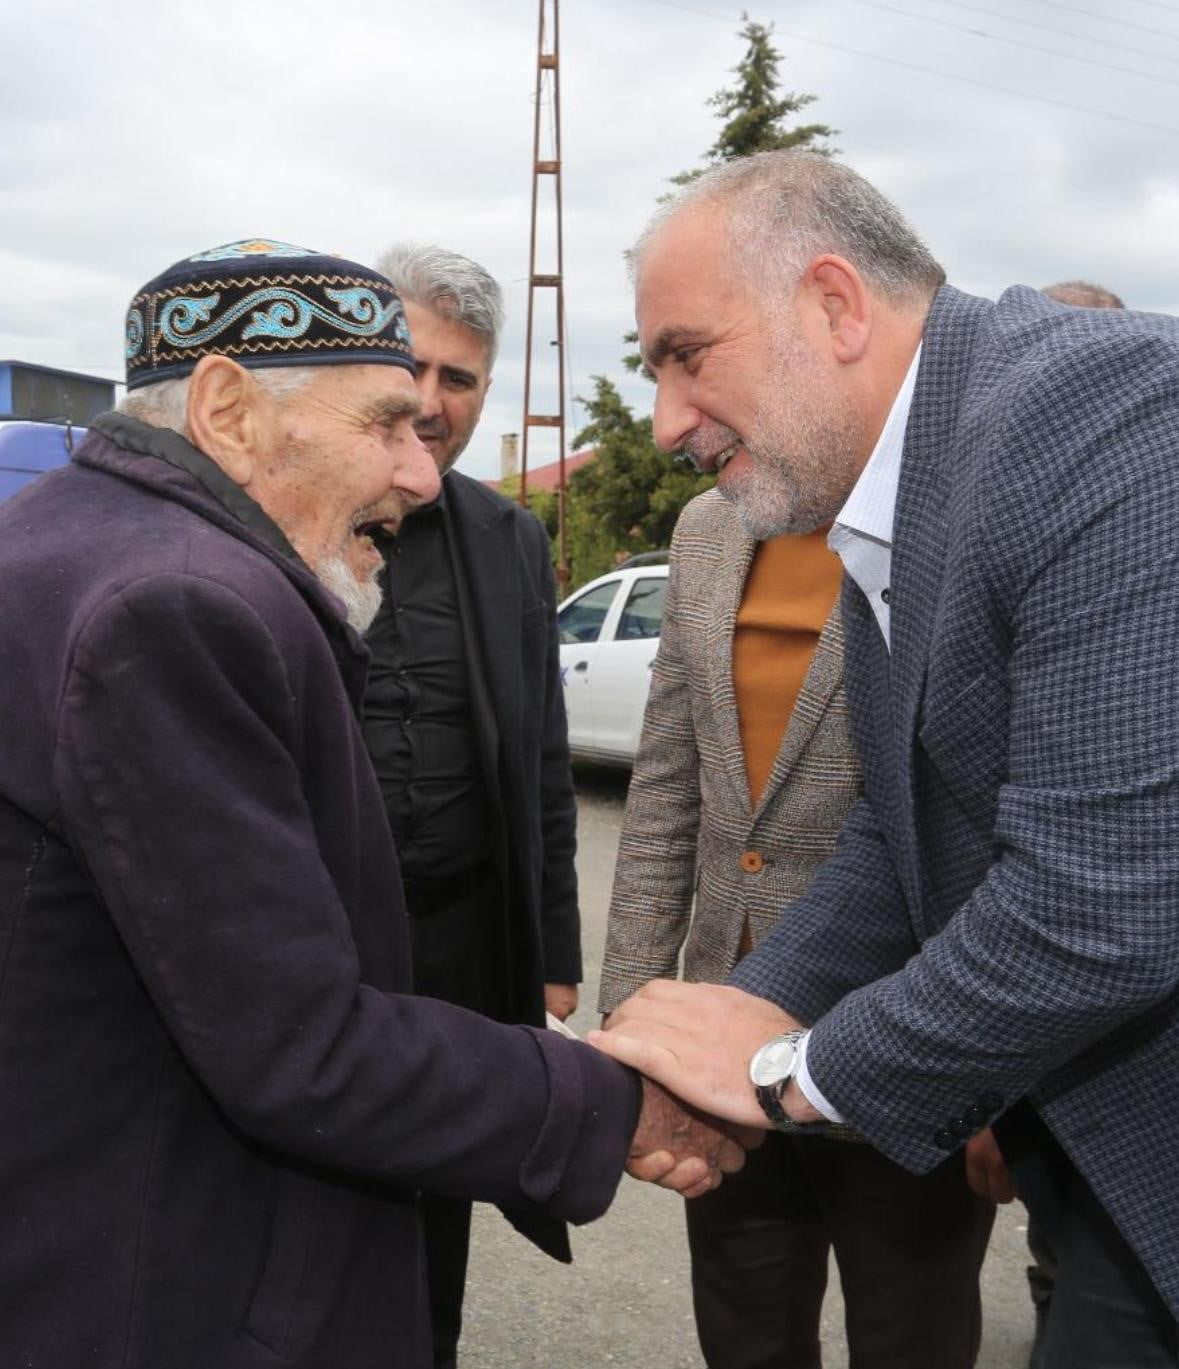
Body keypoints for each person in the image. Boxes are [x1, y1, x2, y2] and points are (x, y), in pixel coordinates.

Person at [0, 237, 750, 1369]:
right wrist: (615, 1103)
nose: (422, 471)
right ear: (228, 410)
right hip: (158, 1278)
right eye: (385, 423)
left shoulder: (70, 534)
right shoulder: (175, 607)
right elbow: (300, 1048)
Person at [591, 152, 1179, 1366]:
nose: (666, 422)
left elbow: (1100, 903)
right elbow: (902, 821)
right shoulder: (890, 502)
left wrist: (779, 1071)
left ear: (834, 304)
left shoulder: (1096, 410)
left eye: (686, 354)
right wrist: (748, 999)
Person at [599, 477, 994, 1367]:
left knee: (912, 1335)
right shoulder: (706, 526)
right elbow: (666, 784)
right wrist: (637, 1021)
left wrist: (991, 1071)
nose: (676, 421)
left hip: (897, 1038)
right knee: (745, 1334)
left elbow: (971, 813)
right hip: (720, 1044)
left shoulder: (938, 519)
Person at [360, 243, 579, 1366]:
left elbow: (541, 751)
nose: (436, 404)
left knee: (438, 1206)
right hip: (322, 938)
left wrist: (552, 953)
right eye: (417, 370)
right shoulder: (295, 508)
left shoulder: (510, 540)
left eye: (464, 381)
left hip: (457, 939)